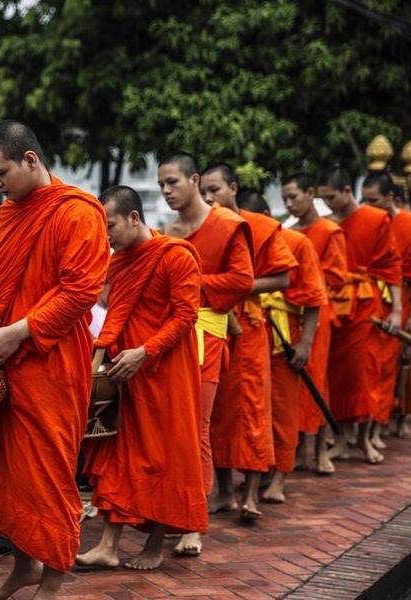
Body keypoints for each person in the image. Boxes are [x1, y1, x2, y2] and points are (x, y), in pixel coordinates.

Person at [0, 120, 109, 600]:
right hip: (6, 359)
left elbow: (80, 292)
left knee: (48, 474)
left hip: (52, 362)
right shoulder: (11, 213)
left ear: (30, 159)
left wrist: (19, 332)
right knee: (10, 474)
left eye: (1, 172)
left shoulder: (78, 213)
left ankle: (52, 579)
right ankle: (24, 568)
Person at [75, 185, 207, 571]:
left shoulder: (175, 255)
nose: (107, 236)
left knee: (163, 455)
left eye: (111, 226)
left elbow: (186, 317)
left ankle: (153, 544)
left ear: (135, 217)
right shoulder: (117, 262)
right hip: (123, 371)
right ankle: (109, 546)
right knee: (119, 456)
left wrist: (145, 352)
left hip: (164, 370)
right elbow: (115, 313)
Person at [162, 153, 254, 556]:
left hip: (207, 333)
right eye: (161, 184)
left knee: (196, 426)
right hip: (172, 335)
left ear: (194, 180)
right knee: (173, 427)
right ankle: (174, 509)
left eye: (172, 183)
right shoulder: (169, 230)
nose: (166, 191)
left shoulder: (228, 225)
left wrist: (191, 283)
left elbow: (242, 281)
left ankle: (193, 522)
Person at [201, 164, 297, 522]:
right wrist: (224, 286)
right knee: (218, 411)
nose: (210, 198)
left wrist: (235, 284)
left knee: (253, 409)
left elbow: (283, 278)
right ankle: (225, 492)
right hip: (214, 324)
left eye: (216, 190)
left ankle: (251, 494)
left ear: (233, 188)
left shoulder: (260, 227)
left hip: (251, 327)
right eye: (206, 192)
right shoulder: (203, 228)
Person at [238, 192, 327, 502]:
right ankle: (257, 468)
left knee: (283, 410)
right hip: (247, 335)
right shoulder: (235, 238)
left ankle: (280, 477)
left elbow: (314, 297)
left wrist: (305, 343)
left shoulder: (297, 242)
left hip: (283, 338)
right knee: (252, 410)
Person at [317, 167, 402, 465]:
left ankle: (364, 440)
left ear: (346, 192)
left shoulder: (376, 219)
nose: (328, 204)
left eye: (331, 198)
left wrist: (400, 311)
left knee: (364, 372)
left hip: (365, 303)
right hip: (333, 306)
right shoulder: (325, 224)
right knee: (335, 376)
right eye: (323, 199)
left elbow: (392, 266)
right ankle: (341, 439)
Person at [361, 173, 411, 443]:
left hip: (404, 297)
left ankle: (395, 418)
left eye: (374, 201)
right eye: (365, 201)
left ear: (391, 198)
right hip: (372, 296)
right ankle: (372, 422)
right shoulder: (368, 221)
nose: (368, 206)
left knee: (400, 359)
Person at [283, 173, 348, 474]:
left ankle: (321, 449)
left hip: (317, 313)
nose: (289, 203)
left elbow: (337, 277)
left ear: (310, 194)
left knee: (317, 379)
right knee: (293, 383)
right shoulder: (288, 232)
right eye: (285, 198)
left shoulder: (329, 231)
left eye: (294, 196)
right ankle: (297, 451)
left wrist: (306, 277)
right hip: (288, 313)